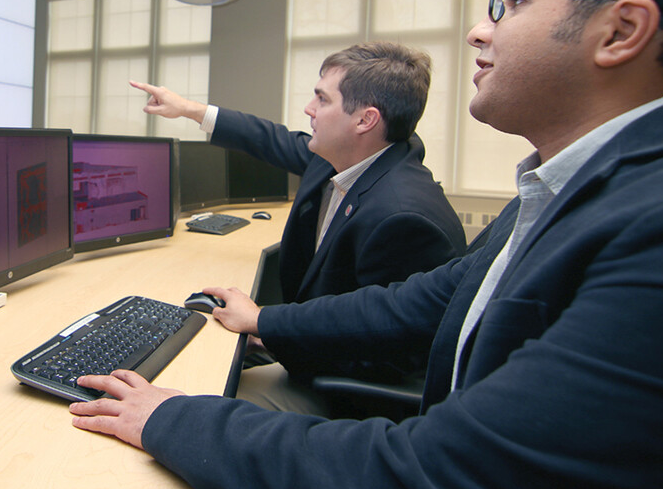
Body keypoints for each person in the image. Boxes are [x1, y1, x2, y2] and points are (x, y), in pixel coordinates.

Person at [69, 0, 663, 489]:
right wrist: (267, 317)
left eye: (514, 1)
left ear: (621, 31)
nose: (479, 30)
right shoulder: (572, 187)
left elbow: (448, 479)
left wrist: (171, 418)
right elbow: (420, 302)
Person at [133, 42, 465, 308]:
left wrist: (264, 327)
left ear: (365, 120)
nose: (309, 108)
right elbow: (267, 138)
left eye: (322, 99)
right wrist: (189, 109)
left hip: (330, 378)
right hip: (298, 338)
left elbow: (374, 340)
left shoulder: (403, 217)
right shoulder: (342, 158)